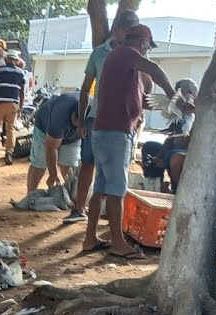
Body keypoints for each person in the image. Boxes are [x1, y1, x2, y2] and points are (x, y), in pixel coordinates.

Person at [82, 24, 173, 259]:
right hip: (115, 132)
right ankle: (118, 243)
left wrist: (167, 104)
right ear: (142, 43)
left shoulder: (118, 59)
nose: (147, 52)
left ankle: (90, 238)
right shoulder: (127, 54)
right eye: (147, 47)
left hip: (106, 130)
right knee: (115, 189)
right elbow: (154, 69)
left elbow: (139, 101)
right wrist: (173, 94)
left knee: (102, 186)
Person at [68, 9, 141, 225]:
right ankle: (79, 209)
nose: (129, 36)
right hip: (97, 119)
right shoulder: (100, 53)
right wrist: (81, 120)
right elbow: (85, 89)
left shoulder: (137, 54)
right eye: (127, 31)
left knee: (113, 176)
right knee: (89, 165)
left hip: (122, 123)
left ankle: (109, 225)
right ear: (117, 30)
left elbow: (143, 88)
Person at [22, 91, 82, 197]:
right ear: (73, 115)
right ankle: (30, 196)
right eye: (75, 124)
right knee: (39, 163)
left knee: (70, 166)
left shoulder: (95, 115)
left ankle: (73, 197)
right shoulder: (59, 115)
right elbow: (51, 147)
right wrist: (53, 175)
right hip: (44, 129)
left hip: (73, 138)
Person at [0, 49, 26, 164]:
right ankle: (9, 153)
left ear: (6, 59)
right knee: (10, 129)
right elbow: (22, 92)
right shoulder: (21, 73)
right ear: (16, 61)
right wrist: (20, 107)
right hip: (13, 104)